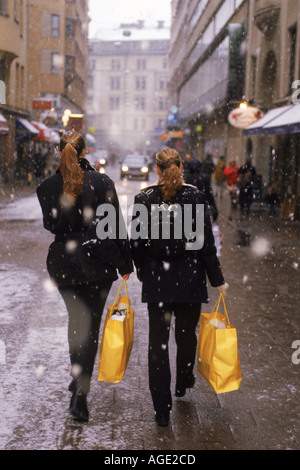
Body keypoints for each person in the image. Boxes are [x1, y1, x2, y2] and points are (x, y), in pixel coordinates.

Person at [37, 131, 133, 422]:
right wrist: (126, 261)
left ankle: (77, 372)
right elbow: (114, 224)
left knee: (76, 322)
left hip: (64, 263)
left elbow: (50, 225)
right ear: (84, 150)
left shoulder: (47, 187)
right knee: (90, 327)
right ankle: (80, 392)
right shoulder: (102, 182)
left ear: (59, 151)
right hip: (97, 262)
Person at [130, 148, 228, 427]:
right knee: (186, 337)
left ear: (157, 169)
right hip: (190, 279)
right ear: (181, 167)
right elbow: (207, 245)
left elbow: (136, 242)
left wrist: (142, 270)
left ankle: (161, 408)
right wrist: (217, 279)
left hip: (158, 281)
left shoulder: (144, 199)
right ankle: (184, 380)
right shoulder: (196, 198)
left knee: (158, 345)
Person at [184, 157, 218, 222]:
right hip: (200, 207)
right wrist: (214, 210)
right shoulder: (204, 178)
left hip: (187, 208)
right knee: (200, 229)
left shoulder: (185, 177)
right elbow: (209, 194)